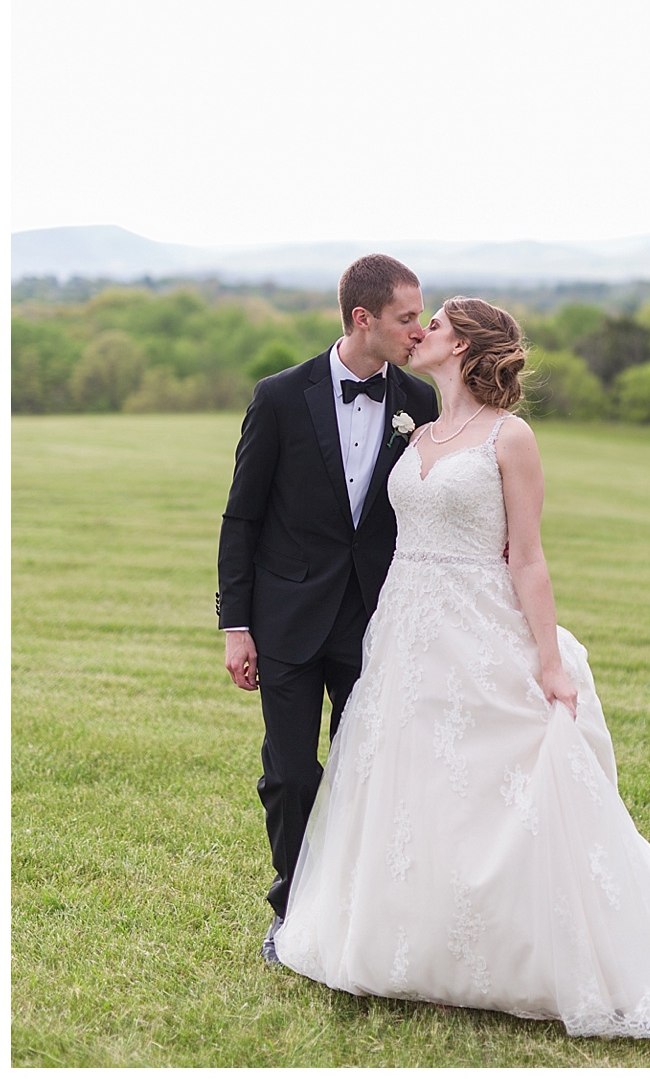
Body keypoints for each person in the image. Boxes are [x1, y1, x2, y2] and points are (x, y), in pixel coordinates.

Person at [273, 297, 650, 1038]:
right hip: (403, 629)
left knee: (493, 780)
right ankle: (417, 943)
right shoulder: (416, 426)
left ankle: (505, 948)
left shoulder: (509, 438)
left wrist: (551, 663)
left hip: (478, 624)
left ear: (463, 348)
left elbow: (527, 554)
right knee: (410, 782)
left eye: (437, 326)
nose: (421, 332)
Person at [218, 253, 439, 963]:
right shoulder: (281, 396)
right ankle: (291, 903)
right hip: (284, 618)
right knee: (291, 772)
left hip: (372, 620)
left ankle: (346, 911)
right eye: (407, 317)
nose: (418, 328)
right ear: (361, 319)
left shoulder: (420, 401)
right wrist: (235, 625)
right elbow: (242, 516)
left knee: (359, 772)